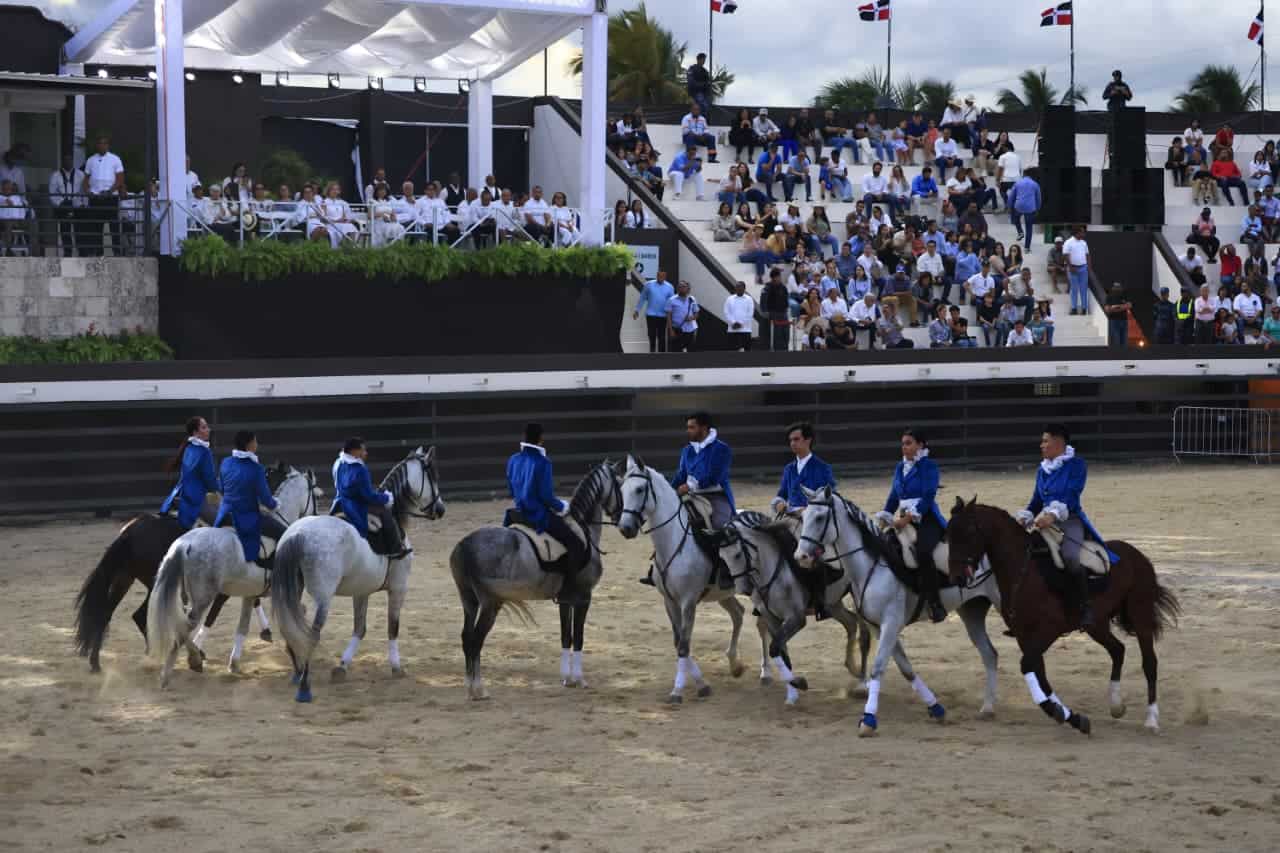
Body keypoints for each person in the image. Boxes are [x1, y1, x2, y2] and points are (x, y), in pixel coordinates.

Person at [1016, 424, 1116, 629]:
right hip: (1044, 520)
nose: (1041, 445)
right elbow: (1036, 500)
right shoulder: (1042, 469)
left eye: (1045, 440)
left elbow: (1072, 495)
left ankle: (1085, 606)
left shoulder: (1077, 465)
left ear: (1059, 442)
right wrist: (1026, 517)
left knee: (1070, 555)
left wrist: (1052, 516)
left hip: (1069, 520)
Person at [769, 421, 841, 617]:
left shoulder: (822, 468)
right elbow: (781, 493)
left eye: (796, 439)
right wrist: (779, 504)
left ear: (808, 440)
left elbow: (830, 495)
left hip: (811, 521)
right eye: (790, 440)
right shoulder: (789, 469)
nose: (792, 443)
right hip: (789, 518)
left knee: (812, 557)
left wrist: (808, 510)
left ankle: (819, 601)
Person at [875, 429, 946, 623]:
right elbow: (894, 496)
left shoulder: (929, 466)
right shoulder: (900, 467)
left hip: (927, 519)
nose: (904, 447)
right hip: (902, 518)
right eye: (903, 443)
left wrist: (907, 519)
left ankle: (935, 603)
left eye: (908, 443)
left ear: (920, 445)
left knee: (923, 552)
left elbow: (929, 495)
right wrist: (886, 514)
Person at [505, 423, 587, 573]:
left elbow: (511, 489)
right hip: (537, 515)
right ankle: (569, 587)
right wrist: (562, 506)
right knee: (576, 544)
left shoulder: (513, 459)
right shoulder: (543, 462)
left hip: (517, 514)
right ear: (541, 438)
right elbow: (546, 496)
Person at [214, 430, 286, 568]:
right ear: (249, 445)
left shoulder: (225, 462)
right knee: (284, 533)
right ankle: (274, 570)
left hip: (224, 515)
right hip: (246, 517)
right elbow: (266, 500)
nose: (257, 444)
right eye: (255, 441)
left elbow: (221, 488)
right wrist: (276, 504)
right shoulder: (256, 468)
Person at [332, 437, 409, 558]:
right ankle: (395, 549)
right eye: (363, 450)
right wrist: (386, 498)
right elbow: (368, 496)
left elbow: (352, 488)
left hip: (339, 504)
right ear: (354, 452)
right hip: (355, 507)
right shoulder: (360, 469)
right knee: (386, 515)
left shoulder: (337, 463)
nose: (366, 453)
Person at [160, 416, 220, 528]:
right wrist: (221, 487)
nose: (209, 430)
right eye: (204, 427)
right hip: (194, 499)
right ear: (196, 432)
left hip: (179, 494)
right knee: (222, 521)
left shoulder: (188, 448)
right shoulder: (205, 452)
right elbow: (210, 481)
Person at [81, 134, 125, 256]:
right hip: (95, 198)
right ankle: (98, 253)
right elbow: (85, 180)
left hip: (110, 197)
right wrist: (88, 192)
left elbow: (120, 179)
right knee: (95, 227)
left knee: (113, 227)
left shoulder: (115, 159)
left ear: (108, 145)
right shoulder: (91, 160)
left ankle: (117, 252)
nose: (102, 145)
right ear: (97, 145)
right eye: (100, 143)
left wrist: (110, 191)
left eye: (105, 143)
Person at [634, 270, 674, 353]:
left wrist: (673, 314)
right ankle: (652, 352)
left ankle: (662, 355)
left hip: (663, 316)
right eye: (659, 276)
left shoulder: (670, 287)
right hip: (650, 314)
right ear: (656, 275)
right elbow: (642, 298)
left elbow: (672, 302)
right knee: (651, 335)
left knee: (661, 336)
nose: (661, 278)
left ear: (665, 276)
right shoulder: (648, 285)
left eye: (663, 276)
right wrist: (637, 310)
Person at [1006, 172, 1040, 252]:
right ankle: (1027, 247)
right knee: (1029, 227)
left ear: (1023, 175)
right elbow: (1038, 198)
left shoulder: (1017, 183)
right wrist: (1037, 208)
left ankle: (1020, 232)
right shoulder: (1035, 184)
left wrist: (1009, 206)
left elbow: (1011, 196)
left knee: (1016, 217)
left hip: (1019, 206)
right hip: (1030, 207)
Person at [1062, 226, 1092, 315]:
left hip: (1083, 267)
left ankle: (1084, 309)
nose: (1084, 234)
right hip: (1073, 268)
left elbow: (1087, 255)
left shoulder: (1084, 243)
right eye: (1082, 232)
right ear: (1077, 233)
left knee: (1083, 289)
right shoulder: (1068, 242)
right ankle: (1074, 308)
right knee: (1074, 289)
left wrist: (1089, 267)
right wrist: (1070, 266)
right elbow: (1065, 255)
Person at [667, 280, 699, 352]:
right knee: (676, 352)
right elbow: (668, 316)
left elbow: (696, 313)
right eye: (680, 287)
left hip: (690, 330)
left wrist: (692, 318)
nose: (681, 288)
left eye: (683, 286)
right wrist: (671, 330)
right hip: (677, 330)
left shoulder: (692, 299)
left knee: (690, 352)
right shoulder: (671, 300)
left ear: (687, 288)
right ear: (677, 289)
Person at [723, 280, 755, 351]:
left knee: (746, 353)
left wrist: (741, 324)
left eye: (740, 287)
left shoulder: (749, 299)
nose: (738, 289)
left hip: (746, 330)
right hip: (732, 330)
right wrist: (733, 323)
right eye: (737, 287)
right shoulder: (729, 299)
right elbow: (726, 312)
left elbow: (750, 314)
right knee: (732, 352)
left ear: (744, 289)